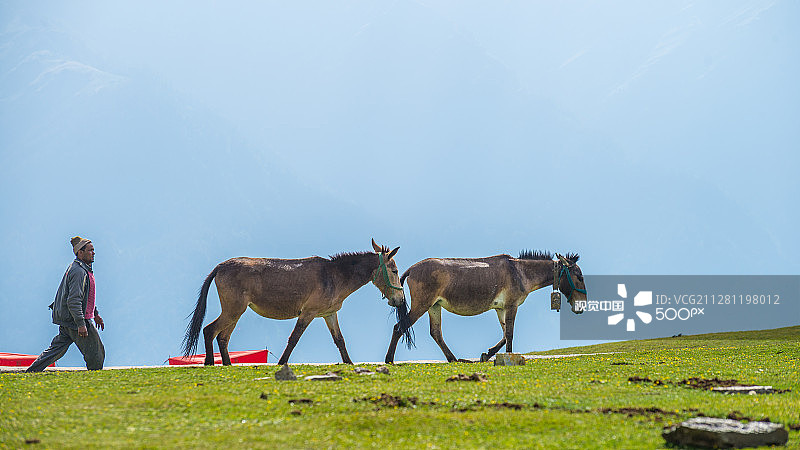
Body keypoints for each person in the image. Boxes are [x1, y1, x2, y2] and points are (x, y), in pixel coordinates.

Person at [26, 236, 105, 372]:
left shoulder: (82, 269)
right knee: (96, 354)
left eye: (93, 250)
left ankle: (32, 371)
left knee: (56, 350)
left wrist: (95, 314)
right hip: (75, 320)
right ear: (80, 252)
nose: (94, 253)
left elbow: (86, 296)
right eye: (90, 250)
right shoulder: (79, 271)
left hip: (68, 319)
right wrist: (81, 324)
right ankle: (95, 377)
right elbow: (74, 300)